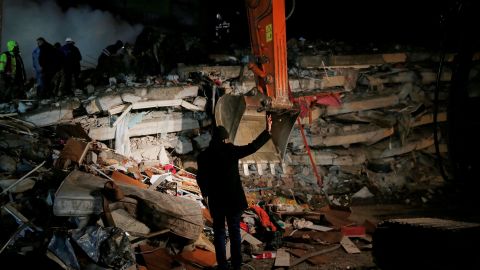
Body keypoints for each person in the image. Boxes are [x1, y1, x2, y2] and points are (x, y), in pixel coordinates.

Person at [196, 115, 273, 270]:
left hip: (216, 201)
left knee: (219, 233)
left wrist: (206, 196)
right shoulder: (230, 151)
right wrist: (267, 131)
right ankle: (236, 265)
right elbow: (253, 147)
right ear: (225, 139)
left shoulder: (203, 156)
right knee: (234, 232)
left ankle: (223, 266)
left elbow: (200, 179)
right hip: (233, 201)